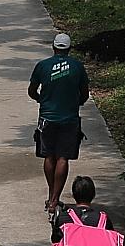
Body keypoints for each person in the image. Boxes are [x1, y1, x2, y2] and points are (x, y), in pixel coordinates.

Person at [28, 31, 88, 211]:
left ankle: (50, 195)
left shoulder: (42, 66)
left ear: (53, 47)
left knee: (48, 155)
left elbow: (31, 90)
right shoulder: (77, 67)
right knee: (63, 157)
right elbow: (84, 93)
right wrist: (76, 103)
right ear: (69, 49)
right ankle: (55, 199)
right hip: (69, 118)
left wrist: (41, 99)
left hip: (47, 117)